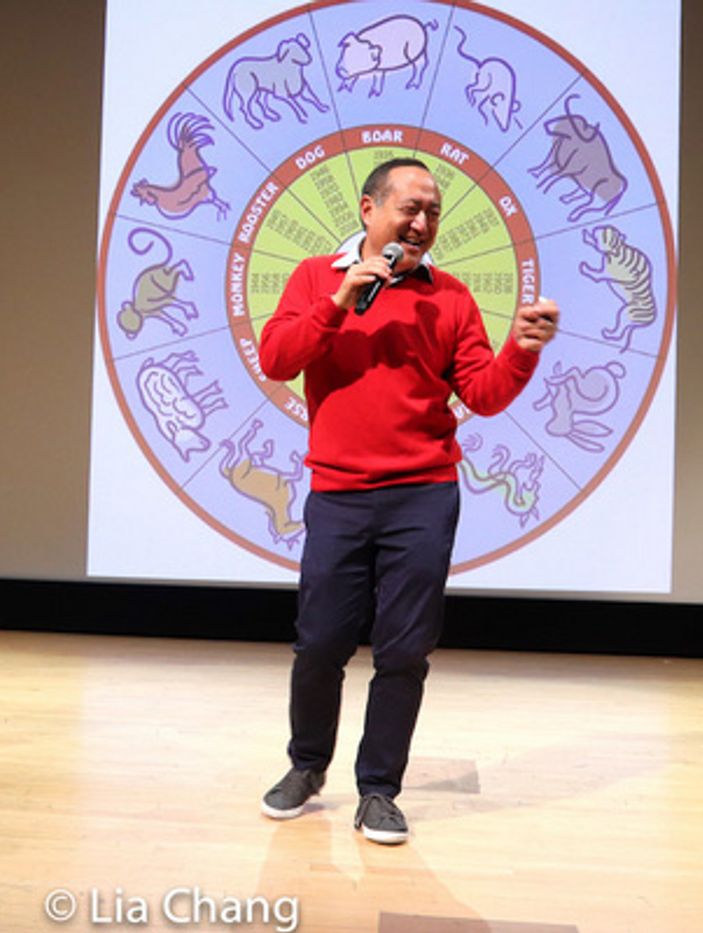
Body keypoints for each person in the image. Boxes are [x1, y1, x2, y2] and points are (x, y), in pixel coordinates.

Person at [257, 158, 558, 843]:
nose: (421, 223)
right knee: (320, 642)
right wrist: (338, 301)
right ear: (369, 210)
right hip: (338, 492)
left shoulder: (450, 297)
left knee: (403, 650)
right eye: (409, 209)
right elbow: (277, 357)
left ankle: (379, 790)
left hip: (423, 494)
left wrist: (521, 350)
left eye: (433, 213)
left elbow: (482, 393)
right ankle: (306, 766)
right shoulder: (316, 277)